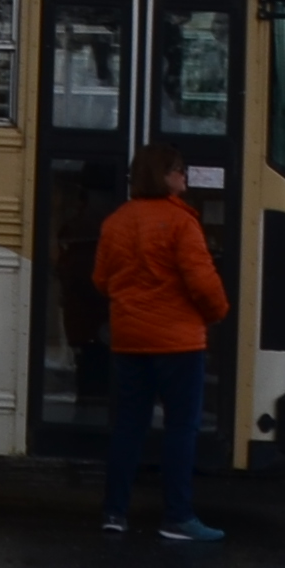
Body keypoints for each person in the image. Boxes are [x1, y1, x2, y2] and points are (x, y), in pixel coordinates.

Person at [94, 138, 232, 542]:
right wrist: (217, 313)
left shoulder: (116, 221)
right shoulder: (181, 222)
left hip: (129, 340)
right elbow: (203, 283)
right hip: (178, 344)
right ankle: (177, 516)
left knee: (128, 428)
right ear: (164, 176)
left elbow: (101, 280)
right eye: (179, 170)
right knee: (180, 429)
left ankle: (115, 513)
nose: (184, 177)